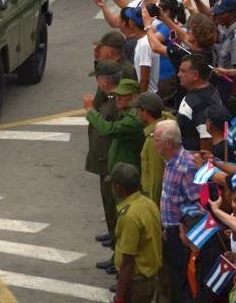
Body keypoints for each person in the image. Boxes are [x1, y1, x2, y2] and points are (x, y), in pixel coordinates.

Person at [153, 119, 200, 302]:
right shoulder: (170, 161)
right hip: (170, 230)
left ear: (169, 143)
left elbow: (196, 205)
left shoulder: (186, 166)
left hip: (181, 235)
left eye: (157, 140)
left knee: (179, 281)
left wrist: (180, 229)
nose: (154, 143)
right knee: (170, 277)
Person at [85, 60, 125, 256]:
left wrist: (90, 111)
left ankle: (117, 249)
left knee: (113, 204)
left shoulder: (116, 101)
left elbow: (105, 126)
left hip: (111, 160)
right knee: (108, 203)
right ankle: (112, 236)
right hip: (104, 160)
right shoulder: (108, 96)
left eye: (99, 79)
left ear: (105, 81)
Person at [109, 162, 162, 303]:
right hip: (150, 277)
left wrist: (119, 297)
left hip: (136, 283)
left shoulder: (130, 216)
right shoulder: (148, 203)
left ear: (118, 187)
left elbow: (127, 261)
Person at [174, 54, 224, 150]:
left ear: (195, 75)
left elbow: (206, 139)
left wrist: (201, 162)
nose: (178, 74)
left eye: (183, 71)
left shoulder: (201, 102)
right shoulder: (208, 89)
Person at [133, 92, 174, 204]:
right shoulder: (166, 124)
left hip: (153, 199)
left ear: (146, 112)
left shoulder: (154, 140)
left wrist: (153, 207)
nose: (137, 114)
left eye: (139, 110)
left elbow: (156, 178)